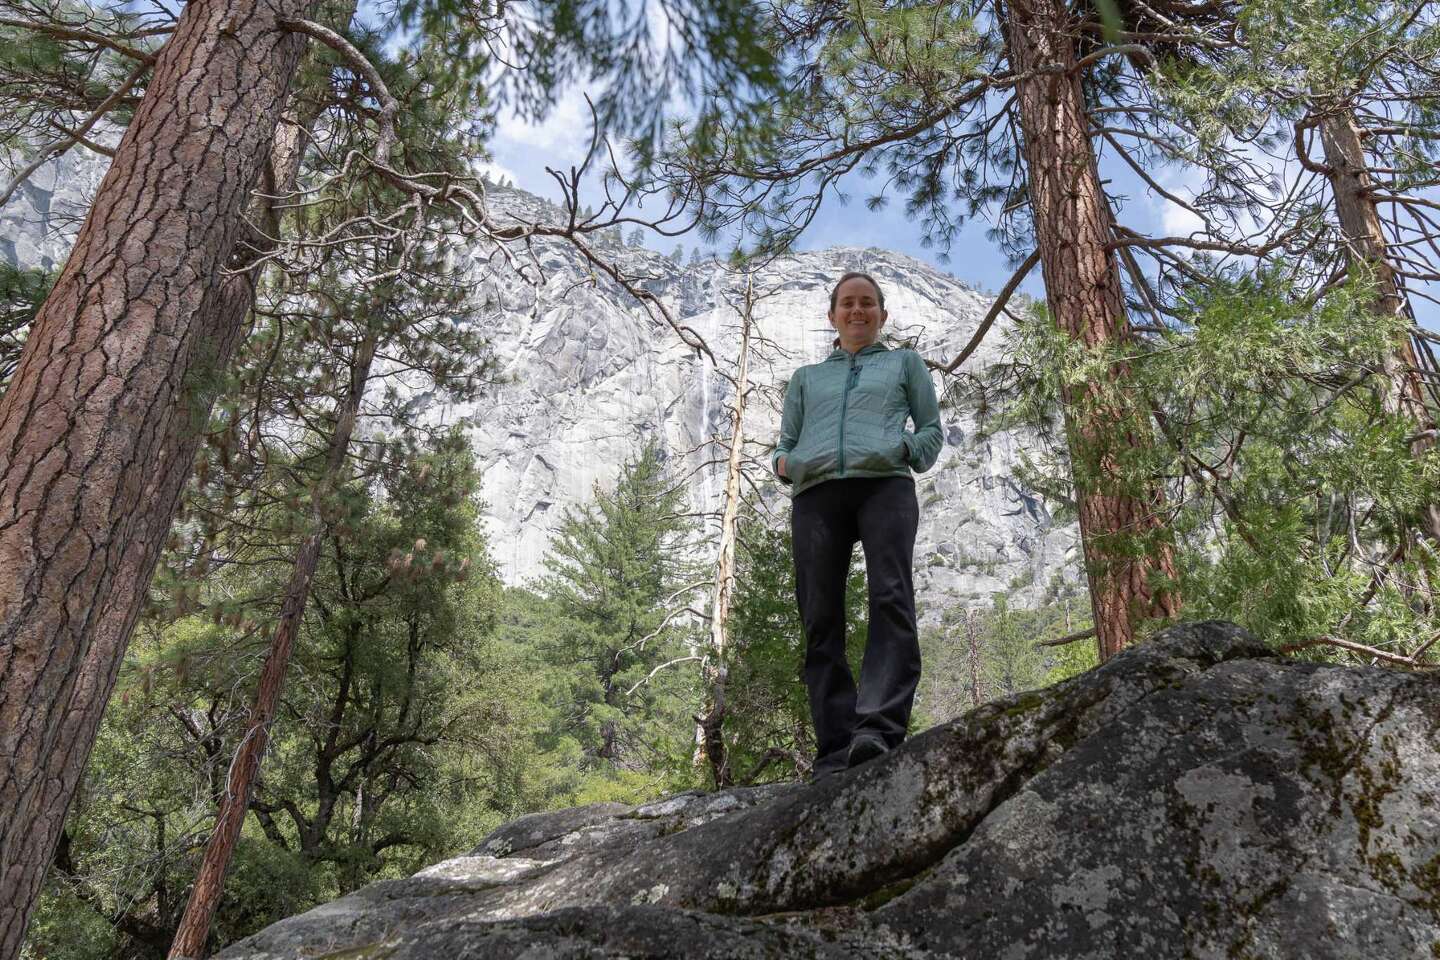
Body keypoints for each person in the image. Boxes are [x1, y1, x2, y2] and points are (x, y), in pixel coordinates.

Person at [772, 271, 944, 780]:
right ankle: (833, 749)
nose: (857, 311)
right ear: (832, 316)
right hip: (816, 494)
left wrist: (905, 450)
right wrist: (787, 465)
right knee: (819, 616)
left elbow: (931, 429)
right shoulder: (806, 378)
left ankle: (877, 731)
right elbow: (784, 443)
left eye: (867, 303)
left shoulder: (903, 363)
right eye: (847, 303)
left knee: (890, 597)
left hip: (884, 486)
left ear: (882, 315)